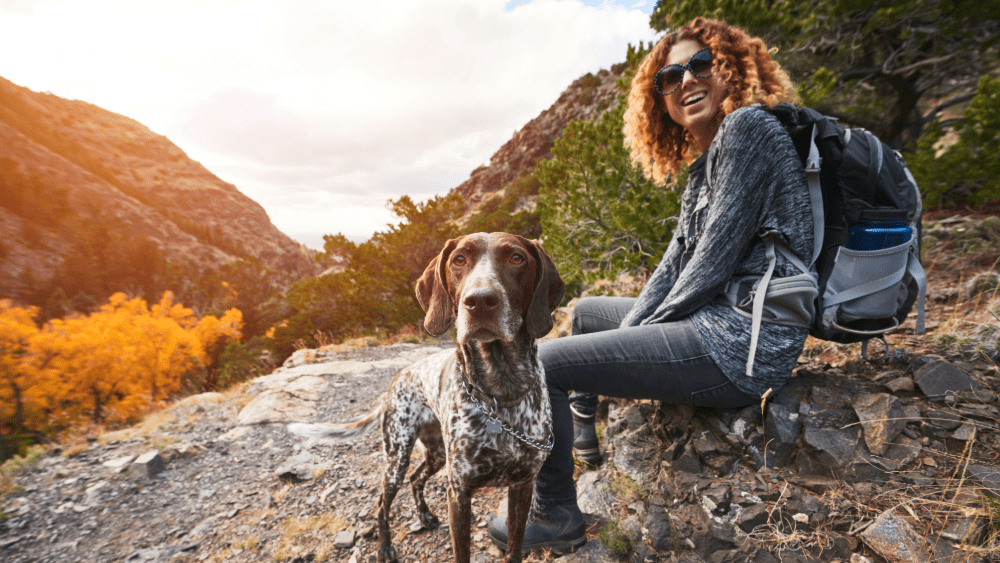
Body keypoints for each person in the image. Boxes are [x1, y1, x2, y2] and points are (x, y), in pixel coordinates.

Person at [488, 17, 816, 554]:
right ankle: (584, 441)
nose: (686, 80)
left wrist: (629, 339)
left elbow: (708, 268)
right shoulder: (705, 162)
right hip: (717, 322)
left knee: (546, 363)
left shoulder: (748, 130)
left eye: (700, 65)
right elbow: (671, 267)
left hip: (743, 346)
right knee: (590, 312)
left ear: (728, 69)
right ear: (659, 97)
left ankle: (554, 516)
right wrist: (624, 330)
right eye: (670, 76)